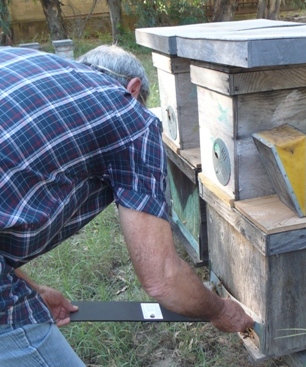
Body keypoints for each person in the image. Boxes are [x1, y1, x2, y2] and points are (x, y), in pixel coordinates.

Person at [0, 44, 253, 366]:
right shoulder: (126, 113)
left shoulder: (24, 60)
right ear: (134, 89)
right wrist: (220, 310)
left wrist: (32, 290)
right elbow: (163, 279)